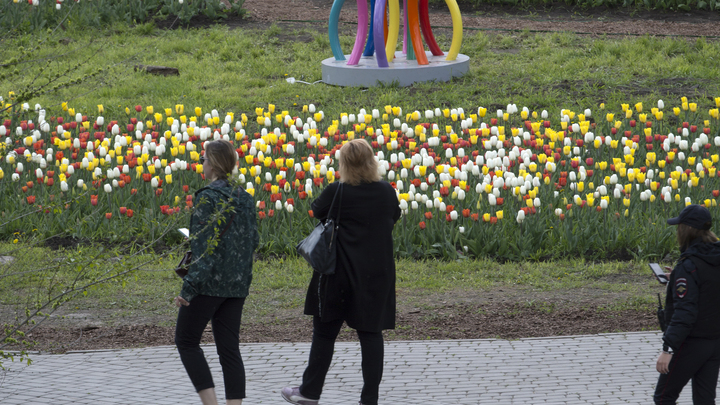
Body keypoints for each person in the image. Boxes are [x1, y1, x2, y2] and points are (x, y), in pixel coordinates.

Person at [281, 139, 401, 405]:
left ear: (343, 164)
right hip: (375, 275)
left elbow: (317, 210)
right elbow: (394, 216)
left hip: (338, 274)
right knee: (371, 335)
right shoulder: (386, 191)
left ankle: (310, 392)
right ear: (372, 162)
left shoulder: (338, 191)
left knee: (324, 334)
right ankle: (369, 399)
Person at [174, 139, 259, 405]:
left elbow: (203, 249)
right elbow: (253, 241)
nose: (202, 164)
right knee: (229, 349)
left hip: (208, 284)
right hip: (237, 284)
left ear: (214, 164)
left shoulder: (207, 197)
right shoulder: (244, 198)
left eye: (204, 159)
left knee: (186, 341)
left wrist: (188, 288)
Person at [655, 204, 720, 404]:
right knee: (704, 400)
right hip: (715, 342)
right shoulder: (712, 257)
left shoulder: (688, 266)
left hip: (690, 343)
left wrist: (668, 349)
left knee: (664, 396)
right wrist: (676, 276)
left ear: (686, 229)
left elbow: (685, 312)